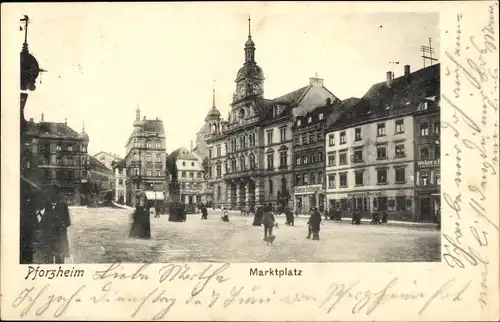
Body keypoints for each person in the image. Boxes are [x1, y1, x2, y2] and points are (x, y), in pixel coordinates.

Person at [38, 189, 71, 264]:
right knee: (49, 258)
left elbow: (67, 221)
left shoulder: (63, 204)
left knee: (60, 257)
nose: (52, 196)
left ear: (57, 194)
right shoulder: (48, 203)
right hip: (50, 235)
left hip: (59, 235)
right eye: (51, 194)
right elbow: (44, 219)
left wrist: (62, 225)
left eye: (54, 193)